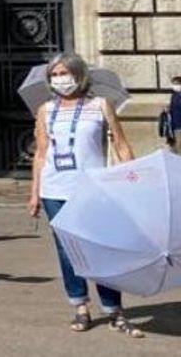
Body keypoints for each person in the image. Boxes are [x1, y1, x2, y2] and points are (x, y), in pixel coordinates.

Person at [29, 54, 144, 337]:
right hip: (54, 189)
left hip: (94, 190)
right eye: (54, 74)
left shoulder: (100, 105)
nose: (59, 78)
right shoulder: (45, 110)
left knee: (101, 248)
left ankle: (113, 309)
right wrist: (34, 193)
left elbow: (120, 143)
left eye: (64, 72)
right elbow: (41, 153)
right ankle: (80, 305)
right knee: (68, 251)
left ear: (79, 75)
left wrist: (133, 179)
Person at [162, 74, 181, 154]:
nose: (174, 86)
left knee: (178, 143)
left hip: (179, 123)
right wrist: (168, 108)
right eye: (173, 84)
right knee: (174, 143)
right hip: (174, 122)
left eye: (176, 84)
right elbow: (173, 105)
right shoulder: (174, 94)